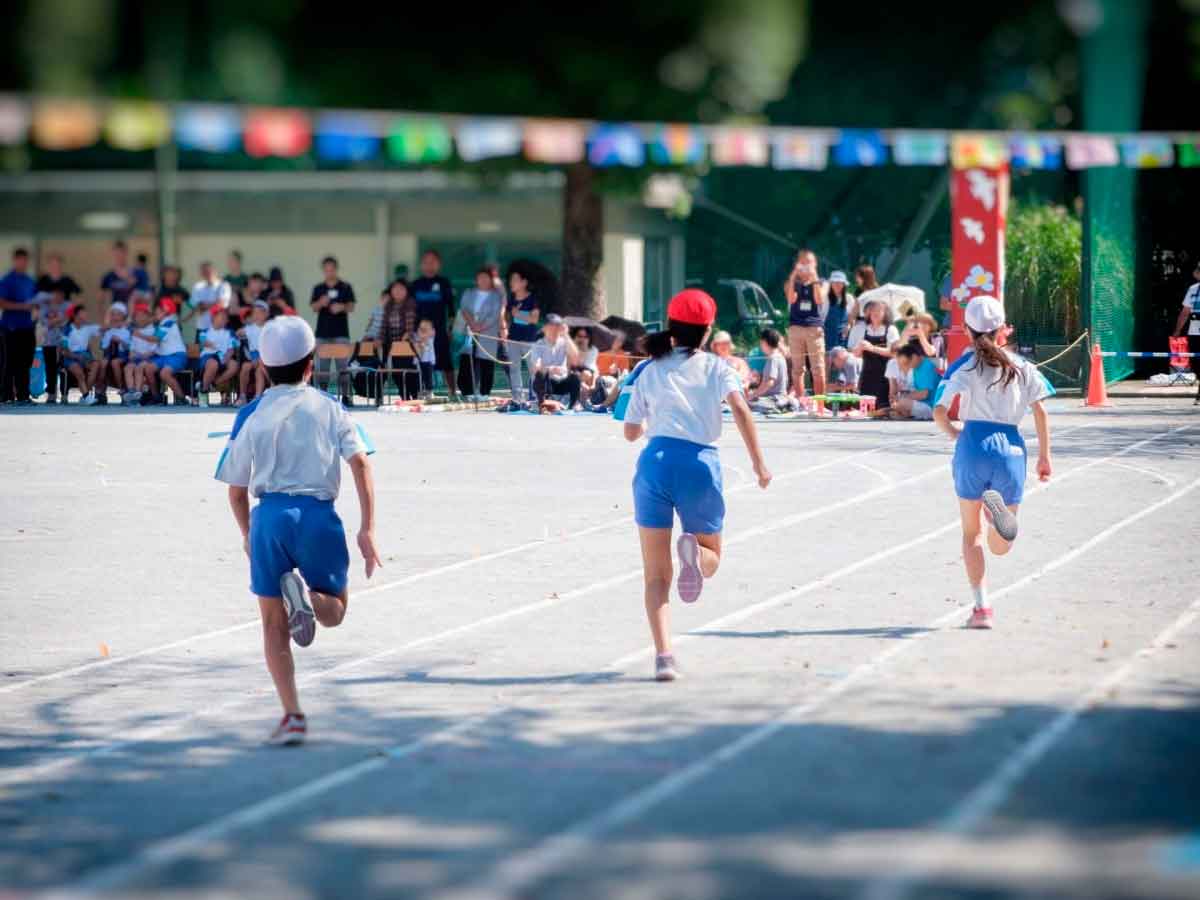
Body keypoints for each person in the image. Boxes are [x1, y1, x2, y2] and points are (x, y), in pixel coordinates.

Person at [214, 314, 381, 745]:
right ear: (311, 364)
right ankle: (309, 598)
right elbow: (361, 462)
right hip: (317, 517)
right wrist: (367, 531)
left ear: (264, 367)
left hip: (269, 517)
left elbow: (235, 492)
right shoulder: (330, 407)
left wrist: (249, 534)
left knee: (272, 625)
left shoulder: (250, 414)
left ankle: (291, 715)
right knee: (336, 611)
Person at [623, 289, 771, 682]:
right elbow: (740, 409)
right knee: (712, 556)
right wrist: (758, 463)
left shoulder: (649, 369)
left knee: (655, 576)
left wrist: (645, 429)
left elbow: (629, 430)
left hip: (654, 464)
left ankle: (664, 656)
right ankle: (696, 556)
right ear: (707, 331)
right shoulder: (718, 367)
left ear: (670, 328)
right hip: (699, 465)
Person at [934, 295, 1053, 630]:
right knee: (1000, 547)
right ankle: (1001, 519)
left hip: (974, 443)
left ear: (967, 330)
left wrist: (956, 435)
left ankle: (982, 608)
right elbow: (1040, 411)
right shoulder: (1023, 366)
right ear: (1003, 328)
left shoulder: (964, 365)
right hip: (1011, 448)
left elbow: (939, 410)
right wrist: (1044, 457)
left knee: (971, 534)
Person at [410, 250, 457, 399]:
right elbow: (410, 309)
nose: (429, 265)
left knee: (446, 362)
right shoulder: (415, 284)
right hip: (420, 331)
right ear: (421, 265)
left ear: (438, 264)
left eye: (433, 262)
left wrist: (450, 328)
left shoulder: (444, 283)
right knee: (420, 361)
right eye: (426, 262)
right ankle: (423, 391)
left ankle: (453, 392)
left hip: (439, 330)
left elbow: (451, 309)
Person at [309, 255, 356, 401]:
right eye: (326, 270)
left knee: (343, 366)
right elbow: (313, 307)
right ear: (323, 271)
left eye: (332, 269)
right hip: (322, 333)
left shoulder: (345, 287)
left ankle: (346, 395)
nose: (329, 272)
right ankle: (322, 395)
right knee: (322, 366)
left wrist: (341, 307)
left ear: (336, 269)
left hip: (341, 332)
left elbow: (351, 306)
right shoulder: (319, 288)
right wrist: (321, 303)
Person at [784, 248, 827, 398]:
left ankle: (820, 402)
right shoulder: (792, 282)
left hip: (814, 328)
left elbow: (819, 300)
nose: (806, 265)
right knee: (797, 369)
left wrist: (814, 278)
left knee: (818, 368)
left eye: (809, 262)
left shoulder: (821, 282)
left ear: (815, 264)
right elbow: (791, 299)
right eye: (803, 262)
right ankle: (801, 402)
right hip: (796, 327)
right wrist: (793, 275)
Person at [456, 267, 504, 399]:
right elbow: (464, 309)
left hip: (488, 332)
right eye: (480, 277)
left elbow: (495, 314)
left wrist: (481, 326)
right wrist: (472, 324)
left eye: (486, 278)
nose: (483, 280)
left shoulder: (496, 296)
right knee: (467, 361)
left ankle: (484, 392)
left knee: (486, 362)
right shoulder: (469, 293)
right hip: (469, 331)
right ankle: (467, 392)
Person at [0, 248, 38, 404]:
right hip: (10, 327)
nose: (23, 263)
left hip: (27, 327)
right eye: (20, 260)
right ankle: (6, 395)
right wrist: (23, 307)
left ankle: (23, 395)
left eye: (25, 260)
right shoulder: (7, 280)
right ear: (15, 260)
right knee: (9, 363)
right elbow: (2, 303)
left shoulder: (30, 281)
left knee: (25, 362)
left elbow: (35, 301)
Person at [849, 299, 900, 414]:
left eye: (879, 310)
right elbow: (855, 354)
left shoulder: (891, 329)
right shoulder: (863, 329)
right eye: (872, 310)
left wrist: (872, 348)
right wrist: (859, 349)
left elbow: (894, 352)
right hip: (867, 374)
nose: (875, 313)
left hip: (885, 375)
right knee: (865, 407)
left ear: (885, 313)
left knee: (882, 406)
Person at [504, 265, 541, 404]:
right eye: (511, 280)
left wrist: (518, 314)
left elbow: (535, 318)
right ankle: (517, 398)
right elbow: (508, 317)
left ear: (524, 282)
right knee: (514, 369)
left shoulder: (532, 299)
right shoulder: (511, 298)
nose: (512, 283)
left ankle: (536, 396)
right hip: (513, 338)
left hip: (529, 339)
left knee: (533, 369)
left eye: (515, 280)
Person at [143, 298, 190, 405]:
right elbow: (159, 344)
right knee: (149, 368)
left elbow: (155, 339)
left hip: (177, 356)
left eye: (159, 310)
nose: (156, 312)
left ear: (166, 311)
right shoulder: (162, 323)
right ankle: (156, 397)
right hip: (163, 357)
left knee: (164, 374)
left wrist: (138, 334)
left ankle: (182, 398)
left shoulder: (169, 322)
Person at [529, 313, 581, 409]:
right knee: (540, 375)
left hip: (561, 380)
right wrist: (549, 369)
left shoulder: (564, 342)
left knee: (575, 377)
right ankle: (543, 403)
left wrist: (566, 334)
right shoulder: (538, 344)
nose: (555, 329)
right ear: (544, 328)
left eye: (557, 325)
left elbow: (575, 358)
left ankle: (572, 406)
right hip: (547, 382)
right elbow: (536, 368)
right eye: (552, 326)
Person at [33, 287, 69, 403]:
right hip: (48, 343)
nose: (57, 297)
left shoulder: (66, 306)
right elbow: (44, 322)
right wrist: (58, 320)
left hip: (63, 342)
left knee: (63, 369)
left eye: (60, 294)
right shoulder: (44, 308)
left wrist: (56, 321)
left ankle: (64, 395)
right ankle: (51, 394)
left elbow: (67, 320)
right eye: (55, 294)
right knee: (50, 369)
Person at [198, 306, 241, 403]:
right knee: (213, 364)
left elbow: (232, 347)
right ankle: (204, 392)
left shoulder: (230, 332)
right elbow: (203, 342)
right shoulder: (204, 331)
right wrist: (210, 344)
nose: (225, 319)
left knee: (234, 365)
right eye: (222, 317)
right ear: (214, 317)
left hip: (223, 357)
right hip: (208, 357)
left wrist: (228, 356)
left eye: (226, 317)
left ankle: (212, 384)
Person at [61, 305, 102, 405]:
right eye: (82, 314)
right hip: (70, 357)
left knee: (96, 365)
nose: (85, 316)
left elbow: (104, 329)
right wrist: (76, 357)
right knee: (79, 373)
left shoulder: (88, 328)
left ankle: (85, 396)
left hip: (85, 356)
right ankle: (86, 396)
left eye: (85, 314)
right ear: (75, 315)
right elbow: (64, 350)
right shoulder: (67, 329)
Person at [1172, 261, 1200, 406]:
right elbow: (1185, 312)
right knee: (1196, 361)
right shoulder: (1193, 289)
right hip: (1195, 329)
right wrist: (1178, 330)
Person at [748, 327, 790, 412]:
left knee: (745, 404)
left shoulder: (773, 358)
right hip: (780, 398)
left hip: (774, 399)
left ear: (764, 342)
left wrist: (753, 395)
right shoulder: (780, 357)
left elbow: (769, 382)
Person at [237, 300, 271, 405]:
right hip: (253, 356)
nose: (256, 315)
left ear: (266, 314)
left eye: (259, 313)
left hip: (267, 357)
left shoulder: (270, 327)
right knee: (245, 367)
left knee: (259, 369)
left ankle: (258, 397)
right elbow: (238, 333)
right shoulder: (250, 328)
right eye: (254, 313)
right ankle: (243, 396)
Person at [190, 261, 232, 343]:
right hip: (201, 328)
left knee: (219, 354)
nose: (206, 273)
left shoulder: (224, 285)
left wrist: (204, 305)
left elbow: (222, 304)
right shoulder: (197, 286)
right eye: (203, 271)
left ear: (215, 271)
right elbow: (197, 307)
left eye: (208, 271)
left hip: (219, 329)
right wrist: (215, 303)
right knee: (200, 354)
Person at [99, 302, 132, 404]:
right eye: (113, 314)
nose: (115, 317)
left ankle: (122, 389)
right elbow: (103, 347)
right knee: (103, 363)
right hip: (110, 355)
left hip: (124, 355)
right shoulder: (109, 330)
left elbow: (131, 347)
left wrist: (120, 341)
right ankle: (101, 392)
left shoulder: (128, 329)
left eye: (118, 314)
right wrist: (107, 338)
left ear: (123, 316)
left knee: (115, 363)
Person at [125, 302, 157, 404]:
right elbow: (132, 349)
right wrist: (132, 355)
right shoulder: (135, 332)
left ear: (149, 317)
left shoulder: (153, 330)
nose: (139, 318)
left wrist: (142, 356)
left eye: (142, 315)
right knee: (128, 367)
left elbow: (153, 350)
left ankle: (138, 393)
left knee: (140, 367)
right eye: (137, 316)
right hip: (137, 358)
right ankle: (131, 391)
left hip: (149, 359)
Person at [100, 241, 149, 308]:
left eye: (121, 253)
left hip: (133, 314)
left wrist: (125, 276)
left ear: (126, 253)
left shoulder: (137, 273)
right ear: (113, 254)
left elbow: (146, 295)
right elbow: (101, 298)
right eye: (116, 254)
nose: (119, 256)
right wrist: (104, 315)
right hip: (116, 313)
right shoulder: (109, 276)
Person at [824, 270, 853, 350]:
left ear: (844, 284)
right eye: (834, 282)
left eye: (840, 282)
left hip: (843, 336)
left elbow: (852, 317)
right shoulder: (825, 298)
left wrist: (848, 326)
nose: (837, 285)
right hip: (827, 334)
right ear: (831, 284)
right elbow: (821, 317)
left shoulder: (849, 298)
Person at [570, 327, 600, 397]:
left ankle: (585, 399)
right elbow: (573, 364)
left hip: (587, 371)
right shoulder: (569, 347)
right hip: (571, 370)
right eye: (579, 336)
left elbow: (588, 366)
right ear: (574, 336)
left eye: (585, 337)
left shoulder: (593, 350)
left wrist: (584, 349)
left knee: (587, 374)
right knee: (582, 375)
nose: (582, 339)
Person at [414, 319, 438, 399]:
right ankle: (419, 392)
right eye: (421, 329)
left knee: (428, 376)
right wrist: (420, 343)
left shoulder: (431, 338)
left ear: (432, 331)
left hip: (429, 361)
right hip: (418, 362)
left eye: (426, 329)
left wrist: (423, 340)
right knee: (418, 377)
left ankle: (429, 391)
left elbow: (428, 336)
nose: (423, 331)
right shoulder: (416, 339)